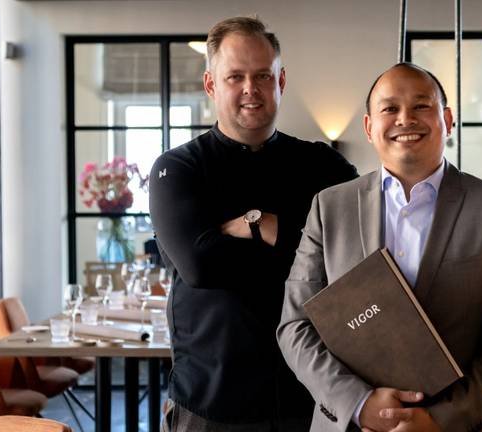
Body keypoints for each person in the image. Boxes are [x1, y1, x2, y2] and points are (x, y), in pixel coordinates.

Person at [277, 63, 482, 432]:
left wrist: (441, 419)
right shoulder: (329, 207)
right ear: (370, 127)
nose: (406, 119)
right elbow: (294, 326)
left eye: (421, 106)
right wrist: (358, 404)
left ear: (447, 120)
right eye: (390, 109)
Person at [149, 16, 358, 431]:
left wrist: (254, 224)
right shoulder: (178, 169)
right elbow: (200, 266)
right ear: (211, 85)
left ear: (281, 82)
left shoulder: (323, 165)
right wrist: (302, 248)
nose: (251, 89)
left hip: (313, 396)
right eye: (235, 77)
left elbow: (353, 254)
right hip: (212, 401)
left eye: (263, 75)